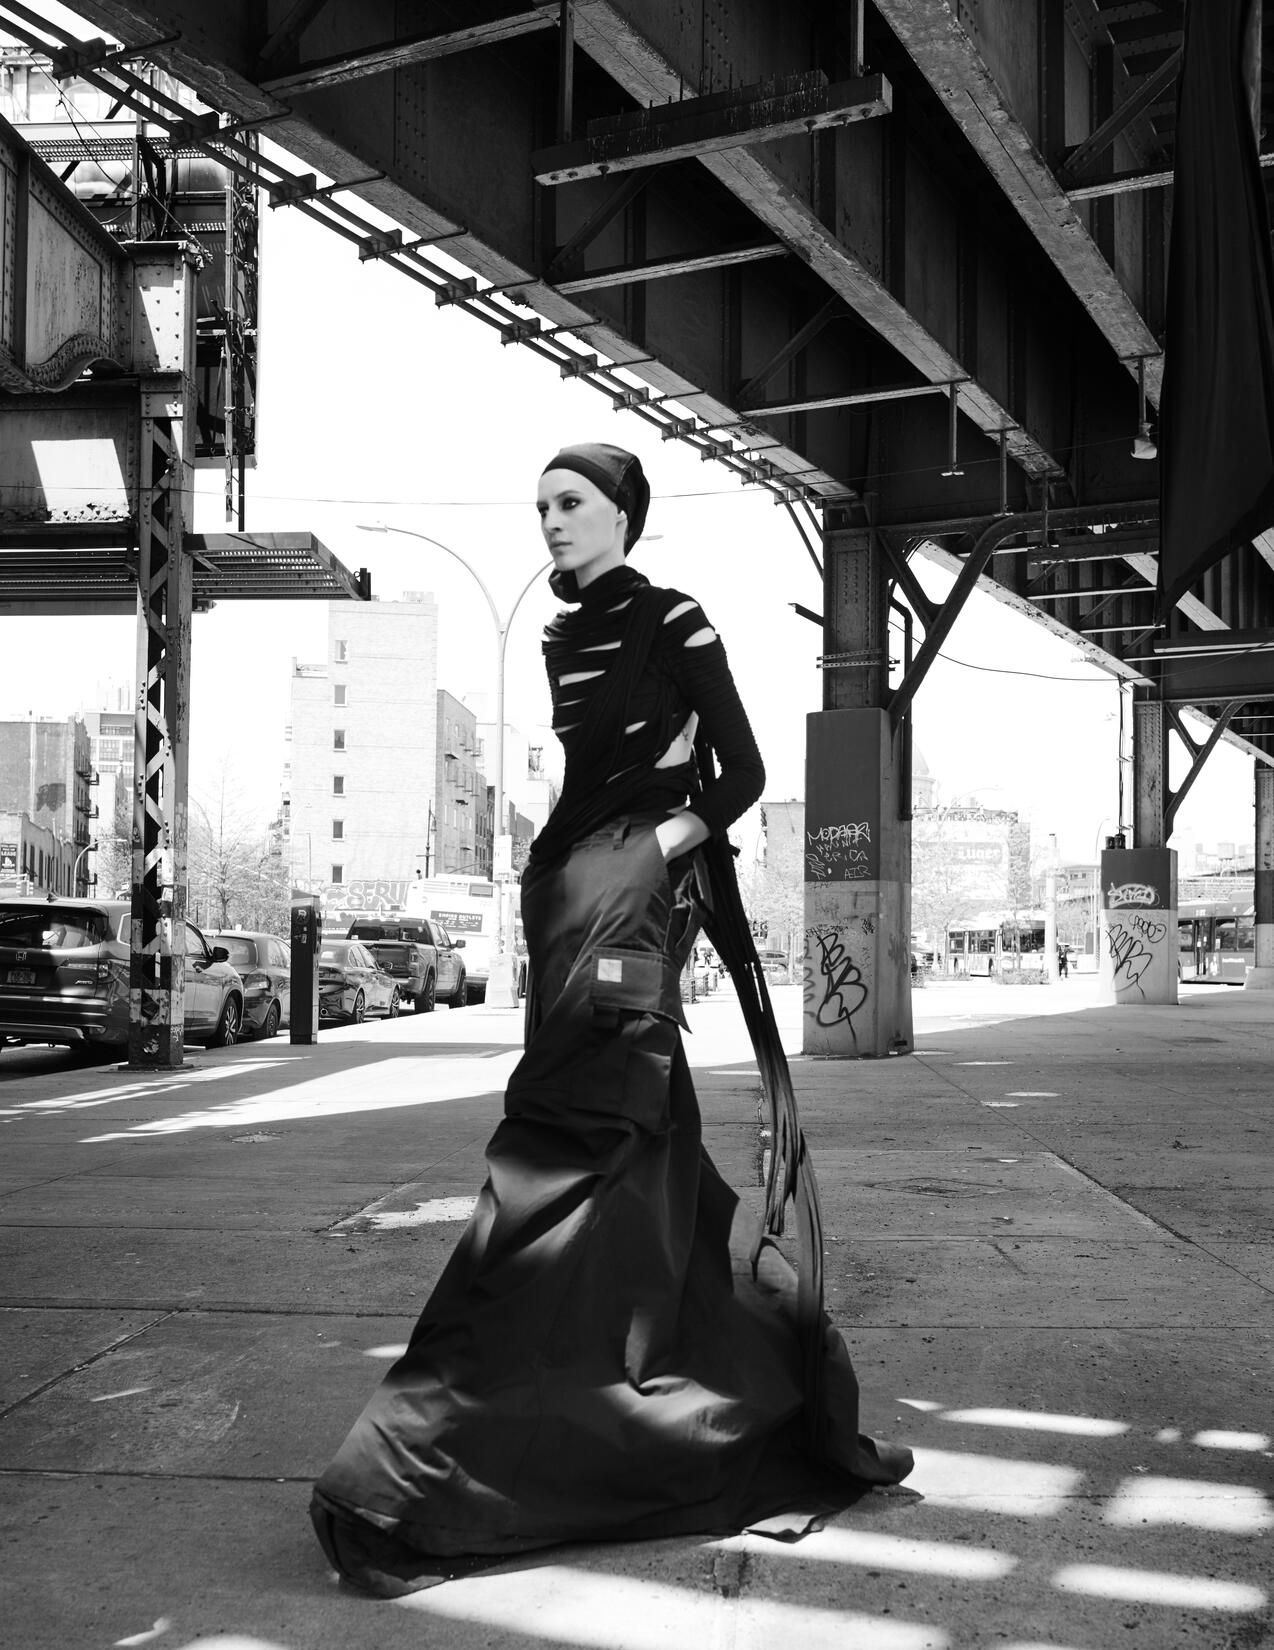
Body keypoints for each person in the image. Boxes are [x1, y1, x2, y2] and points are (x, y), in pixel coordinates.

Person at [309, 442, 912, 1596]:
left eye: (572, 502)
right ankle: (667, 1404)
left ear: (624, 513)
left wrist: (650, 853)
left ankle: (429, 1459)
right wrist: (565, 870)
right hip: (568, 900)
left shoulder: (672, 620)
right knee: (637, 1170)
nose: (550, 520)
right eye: (539, 505)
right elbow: (587, 780)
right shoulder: (559, 634)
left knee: (570, 1157)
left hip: (628, 908)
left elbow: (737, 773)